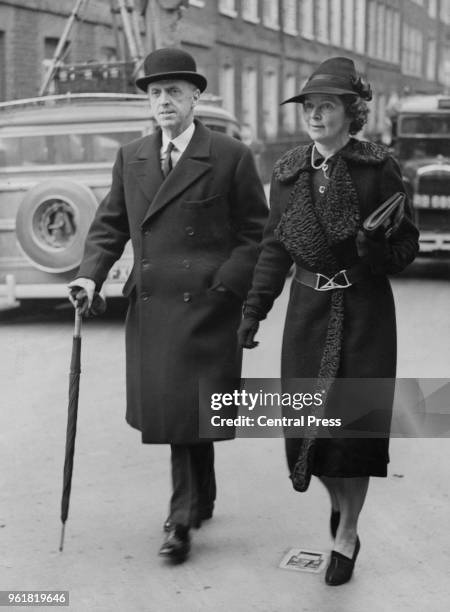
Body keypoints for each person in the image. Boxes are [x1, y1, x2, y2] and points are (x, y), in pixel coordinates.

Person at [68, 47, 268, 563]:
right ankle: (201, 496)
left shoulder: (228, 155)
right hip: (154, 305)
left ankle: (180, 518)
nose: (164, 101)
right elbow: (111, 225)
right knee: (185, 408)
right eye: (155, 93)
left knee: (185, 406)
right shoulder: (130, 155)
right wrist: (88, 279)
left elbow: (256, 233)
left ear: (196, 96)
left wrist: (227, 284)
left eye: (174, 92)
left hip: (206, 304)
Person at [238, 57, 419, 586]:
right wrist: (254, 310)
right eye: (309, 107)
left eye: (327, 106)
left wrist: (377, 247)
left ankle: (347, 534)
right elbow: (274, 248)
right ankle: (341, 502)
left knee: (354, 431)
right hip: (308, 314)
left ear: (351, 111)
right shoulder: (288, 170)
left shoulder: (377, 166)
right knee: (308, 432)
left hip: (365, 312)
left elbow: (405, 244)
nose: (315, 116)